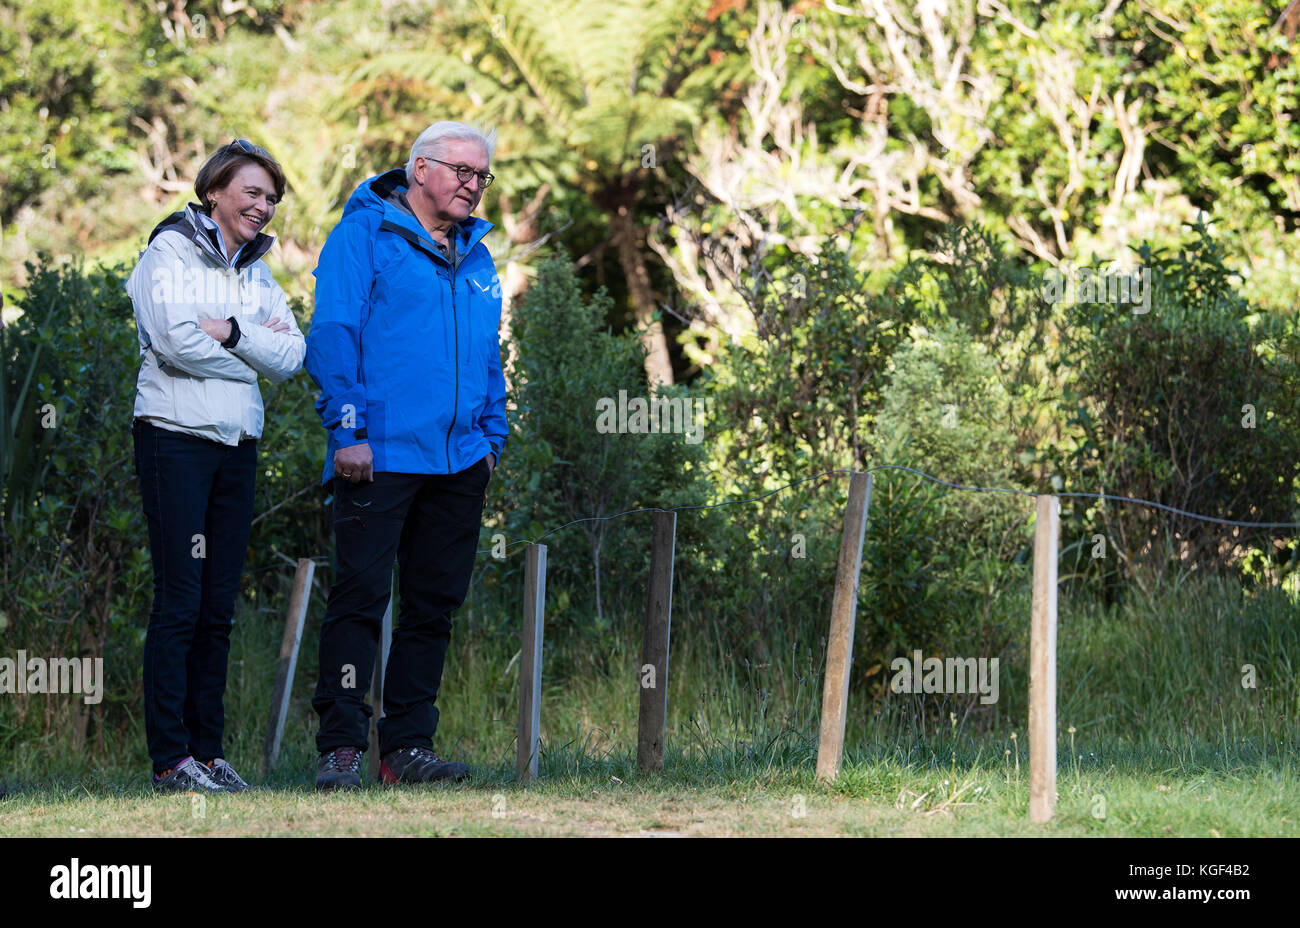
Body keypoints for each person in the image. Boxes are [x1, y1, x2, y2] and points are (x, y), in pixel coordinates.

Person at [306, 121, 507, 790]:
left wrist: (492, 441)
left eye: (481, 176)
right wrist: (347, 429)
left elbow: (488, 355)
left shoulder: (477, 254)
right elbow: (333, 332)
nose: (472, 185)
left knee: (431, 607)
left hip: (459, 462)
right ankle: (340, 747)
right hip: (380, 453)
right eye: (460, 171)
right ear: (420, 169)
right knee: (360, 600)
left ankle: (408, 749)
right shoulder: (365, 234)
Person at [126, 139, 306, 792]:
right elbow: (172, 344)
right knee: (181, 599)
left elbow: (291, 357)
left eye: (270, 197)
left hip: (237, 446)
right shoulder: (169, 251)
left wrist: (230, 332)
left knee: (218, 606)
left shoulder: (256, 272)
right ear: (215, 191)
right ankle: (170, 761)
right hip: (173, 439)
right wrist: (251, 354)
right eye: (251, 192)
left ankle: (208, 754)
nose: (262, 206)